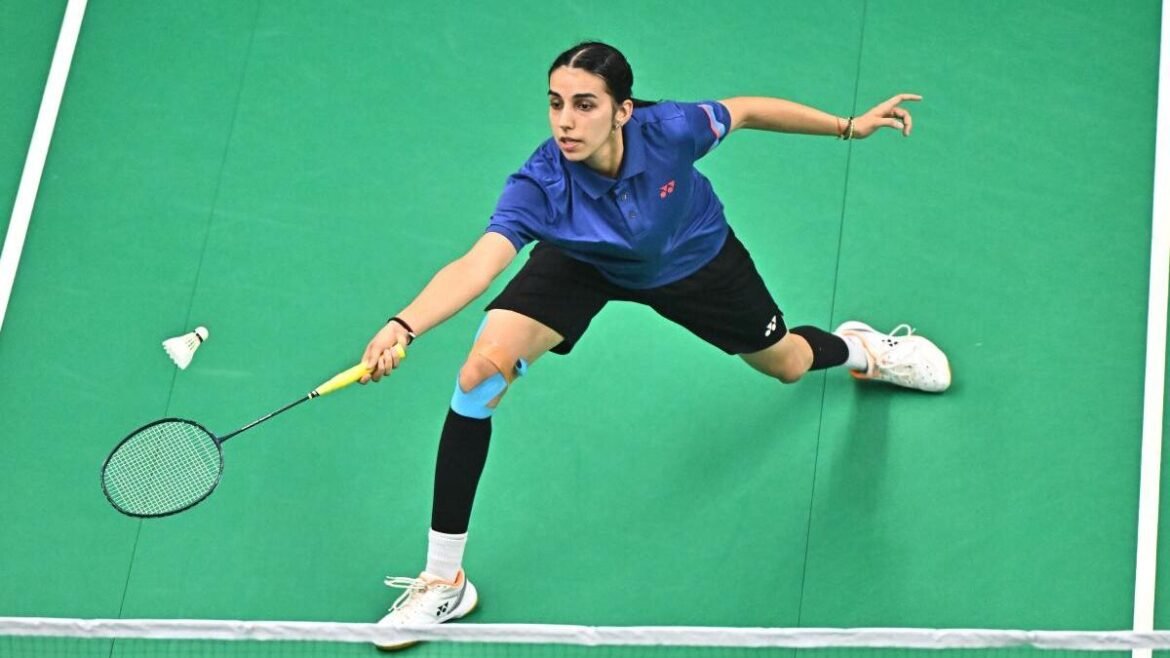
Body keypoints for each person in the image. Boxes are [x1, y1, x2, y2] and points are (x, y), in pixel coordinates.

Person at [360, 41, 950, 648]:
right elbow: (477, 265)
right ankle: (444, 579)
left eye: (585, 104)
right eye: (556, 103)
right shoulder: (541, 183)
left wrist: (848, 126)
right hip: (584, 258)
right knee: (478, 378)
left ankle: (860, 349)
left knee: (790, 364)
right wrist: (404, 325)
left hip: (693, 259)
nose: (566, 122)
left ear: (623, 111)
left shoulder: (670, 129)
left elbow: (746, 109)